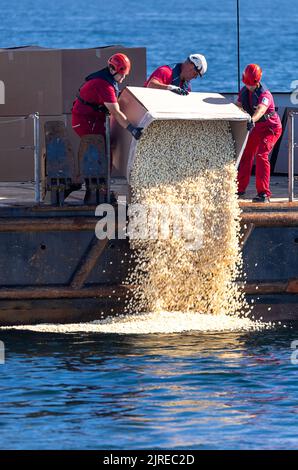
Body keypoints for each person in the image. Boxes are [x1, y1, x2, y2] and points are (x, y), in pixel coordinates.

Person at [236, 64, 282, 203]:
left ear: (257, 82)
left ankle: (264, 194)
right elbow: (237, 105)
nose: (249, 87)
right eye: (247, 83)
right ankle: (239, 189)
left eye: (252, 84)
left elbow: (261, 109)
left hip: (271, 128)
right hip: (257, 127)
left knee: (262, 155)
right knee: (247, 154)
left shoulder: (265, 95)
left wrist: (252, 120)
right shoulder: (244, 91)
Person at [72, 53, 143, 141]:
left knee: (107, 145)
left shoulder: (107, 78)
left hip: (91, 119)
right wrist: (132, 130)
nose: (124, 77)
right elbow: (116, 112)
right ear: (113, 70)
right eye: (122, 74)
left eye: (125, 74)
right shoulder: (104, 85)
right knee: (100, 147)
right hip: (84, 122)